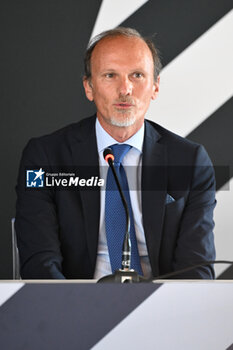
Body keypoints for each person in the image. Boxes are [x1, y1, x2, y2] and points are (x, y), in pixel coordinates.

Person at [15, 27, 216, 279]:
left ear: (155, 87)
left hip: (163, 308)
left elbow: (196, 268)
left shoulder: (191, 162)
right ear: (89, 87)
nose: (125, 89)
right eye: (110, 75)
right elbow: (40, 264)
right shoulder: (44, 158)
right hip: (75, 306)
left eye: (137, 75)